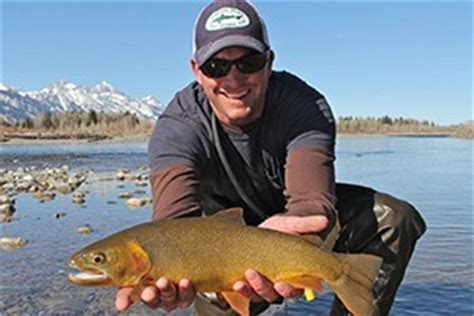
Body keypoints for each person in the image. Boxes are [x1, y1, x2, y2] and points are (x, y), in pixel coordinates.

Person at [115, 0, 426, 315]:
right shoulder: (177, 127)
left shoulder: (303, 105)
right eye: (216, 67)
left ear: (269, 61)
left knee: (393, 218)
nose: (233, 79)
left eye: (248, 62)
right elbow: (173, 224)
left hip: (291, 229)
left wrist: (296, 247)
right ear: (197, 71)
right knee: (215, 292)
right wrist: (170, 280)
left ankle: (352, 291)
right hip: (217, 247)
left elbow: (310, 202)